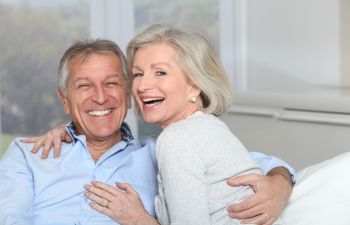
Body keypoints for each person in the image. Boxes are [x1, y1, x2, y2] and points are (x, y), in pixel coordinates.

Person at [20, 28, 294, 225]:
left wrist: (138, 220)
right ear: (64, 99)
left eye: (160, 72)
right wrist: (71, 129)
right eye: (138, 74)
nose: (143, 85)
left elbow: (267, 165)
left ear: (194, 85)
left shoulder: (175, 140)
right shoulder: (208, 129)